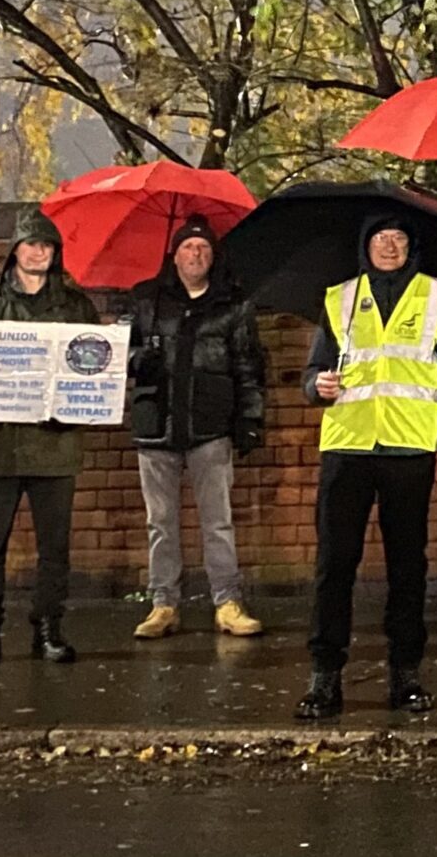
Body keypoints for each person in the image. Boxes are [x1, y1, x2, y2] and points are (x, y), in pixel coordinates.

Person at [293, 215, 437, 721]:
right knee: (333, 567)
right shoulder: (340, 298)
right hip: (347, 447)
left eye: (398, 239)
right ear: (365, 246)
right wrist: (316, 387)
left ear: (411, 247)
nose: (389, 247)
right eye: (380, 238)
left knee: (407, 569)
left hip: (411, 448)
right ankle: (323, 679)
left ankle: (406, 676)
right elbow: (313, 370)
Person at [0, 212, 104, 669]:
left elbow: (93, 370)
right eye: (31, 244)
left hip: (55, 446)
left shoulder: (75, 307)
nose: (39, 252)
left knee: (55, 548)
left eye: (47, 246)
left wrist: (79, 405)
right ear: (15, 249)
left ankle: (49, 628)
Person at [126, 217, 269, 640]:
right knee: (161, 522)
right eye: (189, 248)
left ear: (213, 257)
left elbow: (249, 367)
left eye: (204, 249)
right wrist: (140, 361)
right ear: (175, 255)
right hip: (156, 426)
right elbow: (115, 355)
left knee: (218, 522)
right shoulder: (146, 300)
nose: (196, 255)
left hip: (211, 427)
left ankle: (226, 602)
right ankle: (163, 604)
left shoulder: (233, 305)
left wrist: (250, 419)